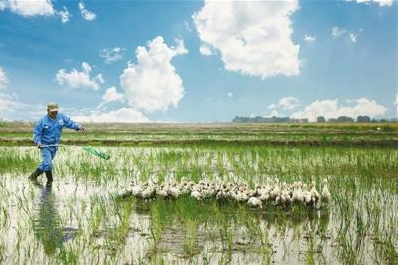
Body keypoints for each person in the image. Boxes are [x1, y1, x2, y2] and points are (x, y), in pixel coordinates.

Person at [28, 102, 85, 184]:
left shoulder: (61, 117)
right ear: (48, 111)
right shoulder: (42, 121)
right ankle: (50, 182)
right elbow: (36, 133)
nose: (55, 113)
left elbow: (69, 122)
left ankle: (32, 177)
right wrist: (38, 142)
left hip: (54, 146)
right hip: (45, 146)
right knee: (48, 164)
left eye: (56, 111)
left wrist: (77, 126)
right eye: (53, 112)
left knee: (45, 164)